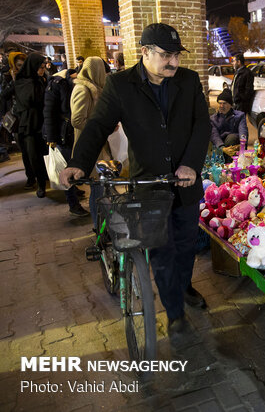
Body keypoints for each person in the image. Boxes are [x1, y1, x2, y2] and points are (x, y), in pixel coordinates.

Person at [59, 23, 211, 342]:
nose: (173, 62)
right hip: (148, 186)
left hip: (185, 183)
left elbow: (201, 125)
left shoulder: (189, 80)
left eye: (176, 55)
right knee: (161, 252)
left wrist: (190, 165)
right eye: (166, 55)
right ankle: (175, 315)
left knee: (185, 247)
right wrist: (77, 163)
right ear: (145, 52)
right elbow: (98, 124)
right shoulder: (120, 85)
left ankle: (182, 288)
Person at [70, 57, 111, 226]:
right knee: (97, 188)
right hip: (90, 145)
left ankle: (104, 226)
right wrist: (101, 126)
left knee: (101, 187)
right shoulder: (83, 90)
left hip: (98, 145)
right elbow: (77, 120)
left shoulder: (93, 89)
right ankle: (98, 227)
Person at [43, 68, 89, 216]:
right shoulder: (56, 85)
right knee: (66, 168)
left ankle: (74, 192)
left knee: (72, 165)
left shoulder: (74, 85)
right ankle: (73, 203)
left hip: (71, 132)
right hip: (62, 134)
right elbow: (49, 112)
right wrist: (51, 138)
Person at [13, 53, 49, 198]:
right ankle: (40, 184)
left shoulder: (41, 80)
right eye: (40, 67)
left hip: (43, 122)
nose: (42, 70)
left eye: (43, 67)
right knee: (34, 156)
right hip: (29, 125)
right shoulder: (22, 82)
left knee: (48, 154)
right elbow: (28, 100)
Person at [210, 88, 246, 158]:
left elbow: (243, 130)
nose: (221, 106)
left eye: (224, 103)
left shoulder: (239, 116)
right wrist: (223, 148)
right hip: (221, 146)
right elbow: (214, 135)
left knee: (231, 138)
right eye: (220, 103)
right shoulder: (213, 119)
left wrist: (242, 144)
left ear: (230, 105)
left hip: (235, 143)